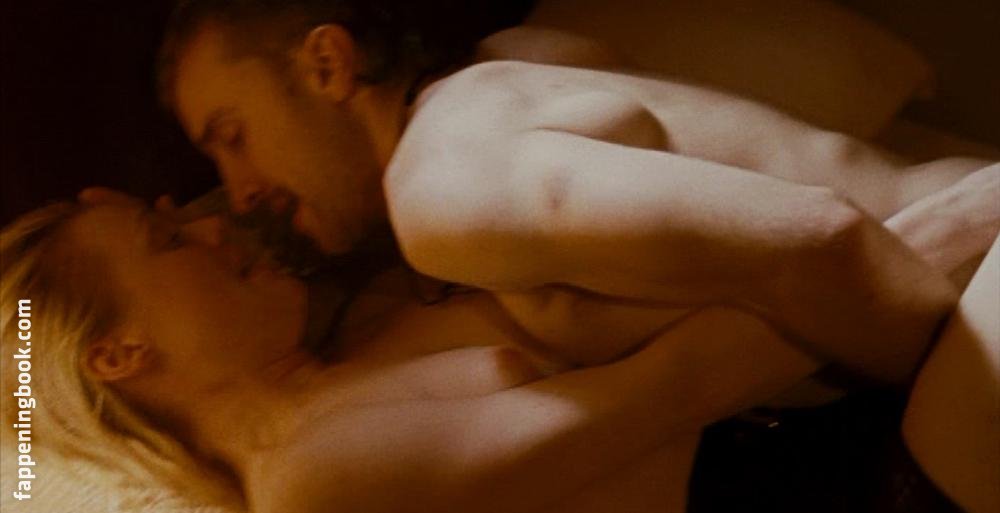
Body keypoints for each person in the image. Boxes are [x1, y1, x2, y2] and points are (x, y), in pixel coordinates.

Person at [151, 0, 999, 387]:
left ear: (326, 64)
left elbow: (818, 237)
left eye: (232, 136)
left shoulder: (439, 188)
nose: (237, 192)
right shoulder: (510, 62)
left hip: (968, 305)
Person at [1, 197, 820, 513]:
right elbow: (676, 389)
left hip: (809, 384)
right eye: (168, 239)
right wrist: (849, 254)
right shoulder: (310, 478)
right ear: (119, 353)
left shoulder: (354, 349)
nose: (213, 225)